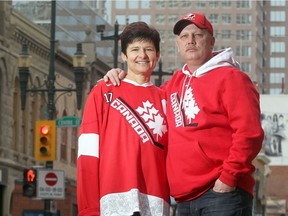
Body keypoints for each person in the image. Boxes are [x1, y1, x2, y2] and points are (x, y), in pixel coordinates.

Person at [104, 12, 264, 216]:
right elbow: (145, 95)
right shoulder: (173, 84)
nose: (190, 40)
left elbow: (249, 134)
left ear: (211, 41)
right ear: (178, 45)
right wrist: (122, 76)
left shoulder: (232, 78)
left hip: (222, 195)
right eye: (184, 36)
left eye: (197, 34)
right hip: (184, 200)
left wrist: (228, 179)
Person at [77, 21, 170, 216]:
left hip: (155, 201)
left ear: (157, 55)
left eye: (149, 49)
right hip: (111, 201)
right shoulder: (103, 91)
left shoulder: (166, 99)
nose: (142, 55)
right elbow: (88, 153)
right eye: (135, 49)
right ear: (123, 55)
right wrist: (89, 209)